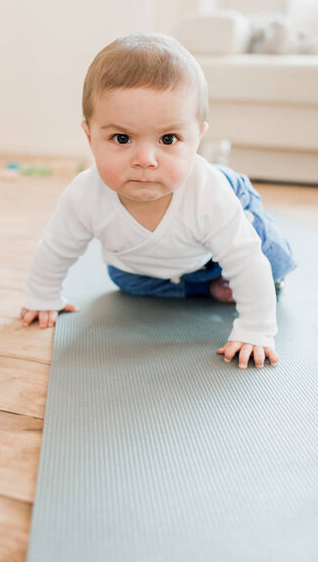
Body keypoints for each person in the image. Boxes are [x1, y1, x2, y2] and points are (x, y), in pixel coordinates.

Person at [21, 32, 296, 369]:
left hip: (223, 223)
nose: (145, 159)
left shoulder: (209, 194)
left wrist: (255, 329)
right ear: (89, 136)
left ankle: (237, 275)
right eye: (122, 138)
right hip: (158, 264)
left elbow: (246, 261)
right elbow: (56, 248)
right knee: (126, 282)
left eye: (168, 139)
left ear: (197, 139)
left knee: (269, 262)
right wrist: (43, 296)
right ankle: (209, 288)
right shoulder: (83, 196)